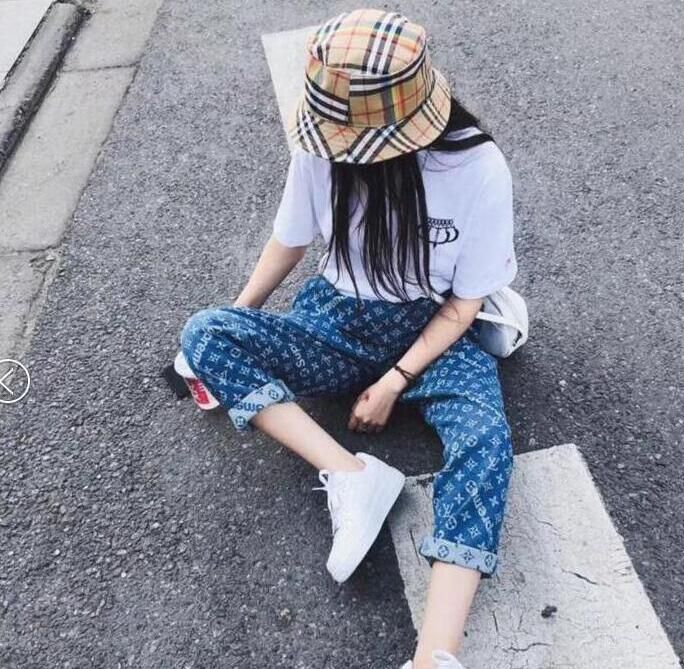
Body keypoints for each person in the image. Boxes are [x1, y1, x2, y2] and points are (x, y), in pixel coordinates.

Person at [180, 8, 518, 669]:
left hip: (435, 332)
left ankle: (435, 657)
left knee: (484, 438)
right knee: (205, 332)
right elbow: (290, 239)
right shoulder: (318, 148)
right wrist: (237, 321)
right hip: (334, 321)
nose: (337, 149)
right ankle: (351, 474)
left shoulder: (478, 168)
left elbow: (464, 304)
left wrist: (394, 380)